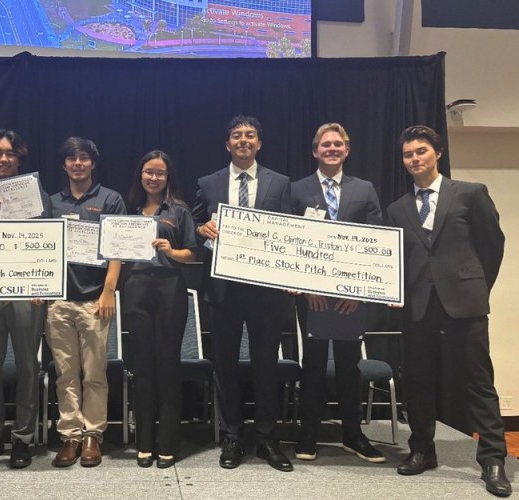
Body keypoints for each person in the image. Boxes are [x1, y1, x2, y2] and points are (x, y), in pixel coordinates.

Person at [386, 125, 511, 497]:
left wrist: (474, 287)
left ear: (437, 153)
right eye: (408, 154)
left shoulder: (470, 194)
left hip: (464, 304)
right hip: (418, 307)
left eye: (421, 151)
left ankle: (492, 460)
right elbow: (395, 261)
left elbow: (493, 245)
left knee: (478, 382)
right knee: (419, 382)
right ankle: (423, 451)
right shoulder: (397, 208)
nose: (414, 159)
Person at [192, 115, 293, 471]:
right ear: (227, 144)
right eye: (236, 135)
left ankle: (266, 437)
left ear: (259, 143)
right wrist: (202, 230)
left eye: (250, 135)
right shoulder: (208, 183)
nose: (243, 140)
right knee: (226, 366)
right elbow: (195, 226)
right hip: (223, 291)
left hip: (267, 293)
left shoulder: (281, 184)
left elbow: (290, 232)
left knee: (267, 366)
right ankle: (233, 436)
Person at [290, 123, 385, 463]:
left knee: (349, 366)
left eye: (338, 144)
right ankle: (308, 434)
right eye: (325, 145)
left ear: (347, 149)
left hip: (350, 297)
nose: (331, 149)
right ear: (315, 151)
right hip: (312, 297)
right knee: (312, 366)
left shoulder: (365, 189)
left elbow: (375, 242)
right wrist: (306, 287)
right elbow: (291, 242)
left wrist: (358, 290)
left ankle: (353, 435)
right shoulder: (297, 189)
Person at [0, 129, 51, 469]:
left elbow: (47, 242)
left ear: (20, 158)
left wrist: (41, 285)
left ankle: (22, 438)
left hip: (26, 291)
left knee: (27, 367)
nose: (3, 159)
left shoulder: (37, 196)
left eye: (10, 154)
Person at [46, 137, 126, 467]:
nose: (78, 164)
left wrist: (108, 291)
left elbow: (116, 249)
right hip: (58, 301)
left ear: (93, 163)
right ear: (64, 165)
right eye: (71, 159)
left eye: (84, 158)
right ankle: (70, 436)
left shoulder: (110, 199)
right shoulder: (51, 202)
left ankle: (93, 435)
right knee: (65, 374)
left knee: (94, 374)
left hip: (95, 300)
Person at [124, 150, 197, 468]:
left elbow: (192, 255)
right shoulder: (129, 211)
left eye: (160, 173)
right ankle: (144, 442)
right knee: (142, 367)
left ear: (168, 177)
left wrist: (172, 250)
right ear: (140, 174)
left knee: (167, 366)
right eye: (148, 172)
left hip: (170, 288)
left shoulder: (179, 210)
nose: (153, 177)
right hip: (137, 288)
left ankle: (167, 442)